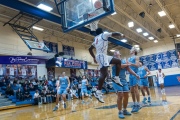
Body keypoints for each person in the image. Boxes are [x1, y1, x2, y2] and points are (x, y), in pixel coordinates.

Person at [88, 28, 124, 103]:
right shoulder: (104, 34)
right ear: (102, 32)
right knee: (103, 73)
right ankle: (98, 92)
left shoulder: (96, 39)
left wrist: (94, 57)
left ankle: (116, 78)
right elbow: (114, 33)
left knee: (118, 61)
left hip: (104, 56)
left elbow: (90, 49)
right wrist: (120, 34)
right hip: (101, 56)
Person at [112, 51, 140, 119]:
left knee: (126, 96)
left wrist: (136, 74)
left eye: (117, 52)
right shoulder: (113, 60)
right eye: (114, 53)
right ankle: (120, 111)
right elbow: (120, 66)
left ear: (120, 54)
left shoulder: (124, 61)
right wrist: (128, 64)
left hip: (123, 80)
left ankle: (124, 110)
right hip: (116, 80)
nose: (115, 53)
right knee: (120, 95)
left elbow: (129, 70)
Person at [128, 47, 140, 113]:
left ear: (134, 51)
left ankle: (138, 103)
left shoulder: (136, 57)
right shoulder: (128, 58)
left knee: (136, 89)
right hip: (130, 74)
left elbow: (137, 65)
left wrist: (130, 64)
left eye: (132, 49)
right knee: (131, 90)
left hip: (135, 73)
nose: (130, 50)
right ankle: (134, 103)